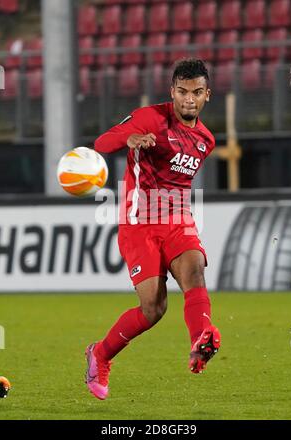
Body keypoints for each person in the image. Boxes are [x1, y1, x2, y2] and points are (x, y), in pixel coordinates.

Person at [85, 58, 221, 400]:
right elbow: (102, 143)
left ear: (208, 95)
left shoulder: (206, 140)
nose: (189, 99)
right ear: (171, 92)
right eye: (182, 92)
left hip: (178, 220)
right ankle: (100, 355)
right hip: (139, 223)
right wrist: (130, 139)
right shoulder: (149, 117)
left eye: (197, 92)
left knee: (195, 271)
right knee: (153, 308)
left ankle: (199, 342)